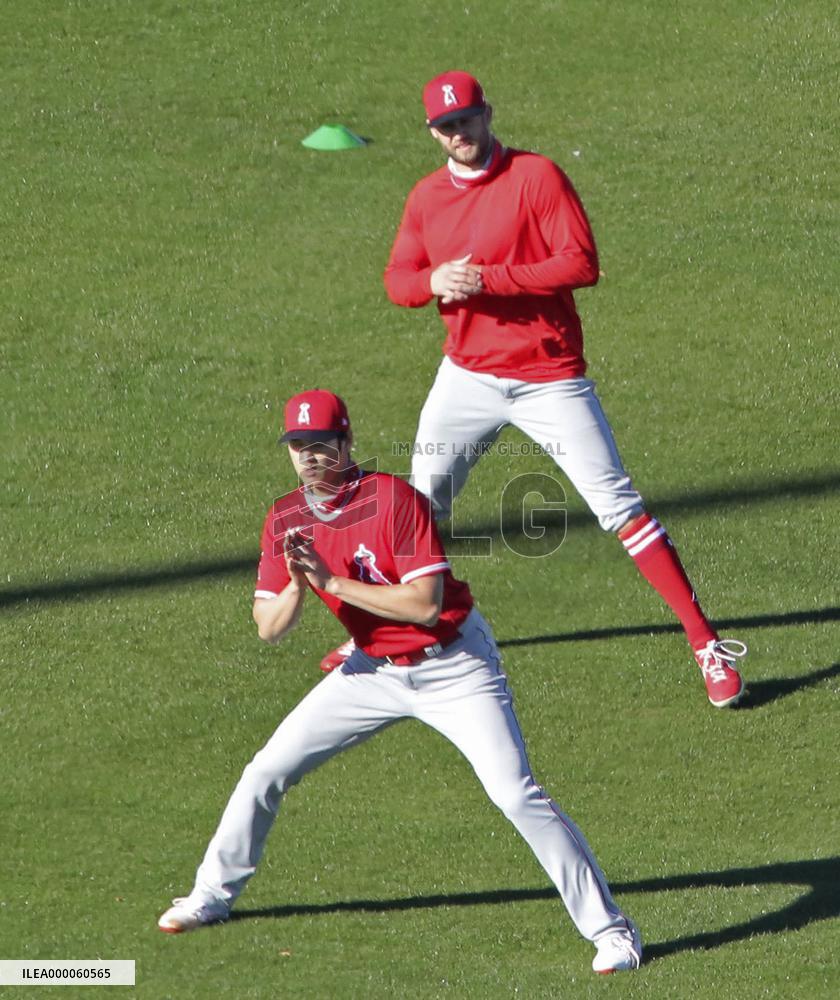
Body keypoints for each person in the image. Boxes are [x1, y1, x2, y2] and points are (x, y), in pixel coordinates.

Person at [158, 388, 642, 975]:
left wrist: (330, 583)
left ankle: (613, 933)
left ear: (346, 442)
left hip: (454, 666)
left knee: (516, 794)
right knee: (266, 770)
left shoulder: (394, 500)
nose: (309, 457)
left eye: (320, 444)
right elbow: (268, 628)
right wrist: (295, 582)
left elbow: (424, 605)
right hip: (370, 672)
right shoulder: (285, 516)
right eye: (297, 446)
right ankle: (211, 895)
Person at [376, 69, 747, 708]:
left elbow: (581, 263)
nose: (458, 132)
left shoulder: (535, 177)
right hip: (466, 376)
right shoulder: (426, 197)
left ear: (487, 114)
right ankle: (396, 635)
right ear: (432, 133)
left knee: (619, 505)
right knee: (419, 510)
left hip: (549, 378)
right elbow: (397, 280)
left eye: (465, 119)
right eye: (445, 125)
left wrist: (489, 280)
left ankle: (705, 643)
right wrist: (433, 280)